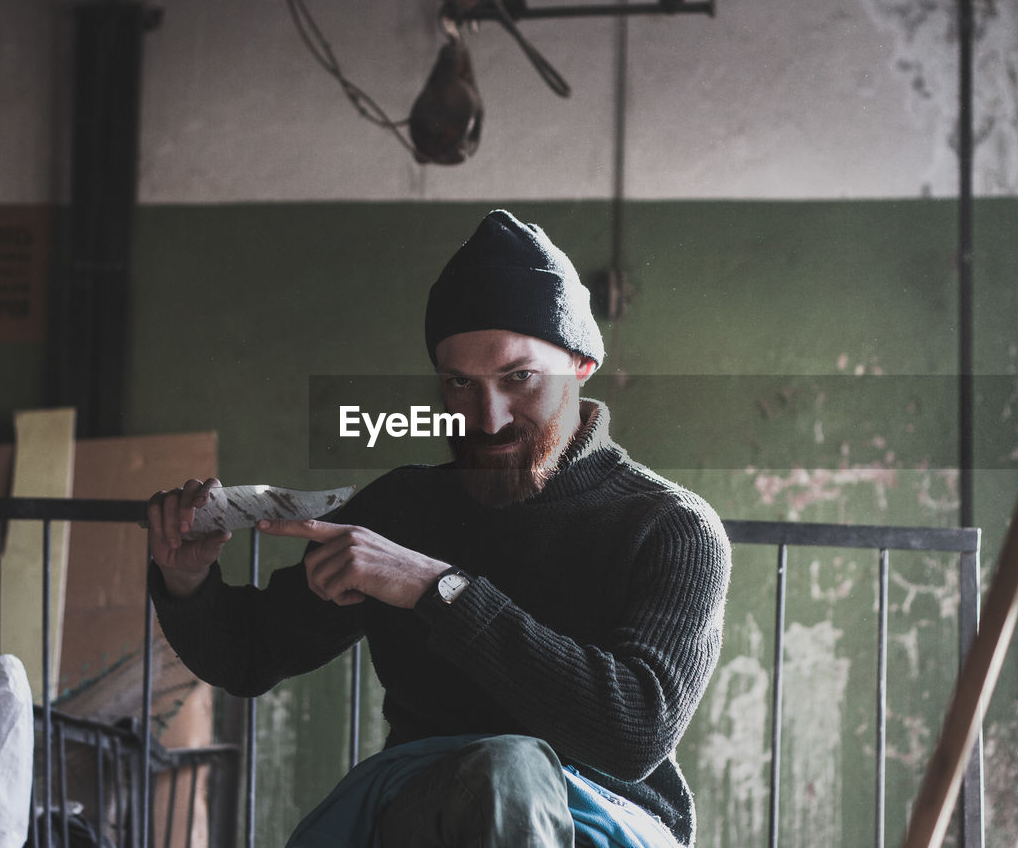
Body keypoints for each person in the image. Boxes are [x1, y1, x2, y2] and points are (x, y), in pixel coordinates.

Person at [147, 209, 730, 847]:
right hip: (427, 810)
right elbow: (249, 656)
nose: (488, 417)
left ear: (582, 363)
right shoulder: (403, 508)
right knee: (483, 780)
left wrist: (435, 587)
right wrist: (186, 577)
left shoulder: (672, 526)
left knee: (508, 772)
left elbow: (634, 734)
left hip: (609, 820)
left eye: (519, 378)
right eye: (459, 383)